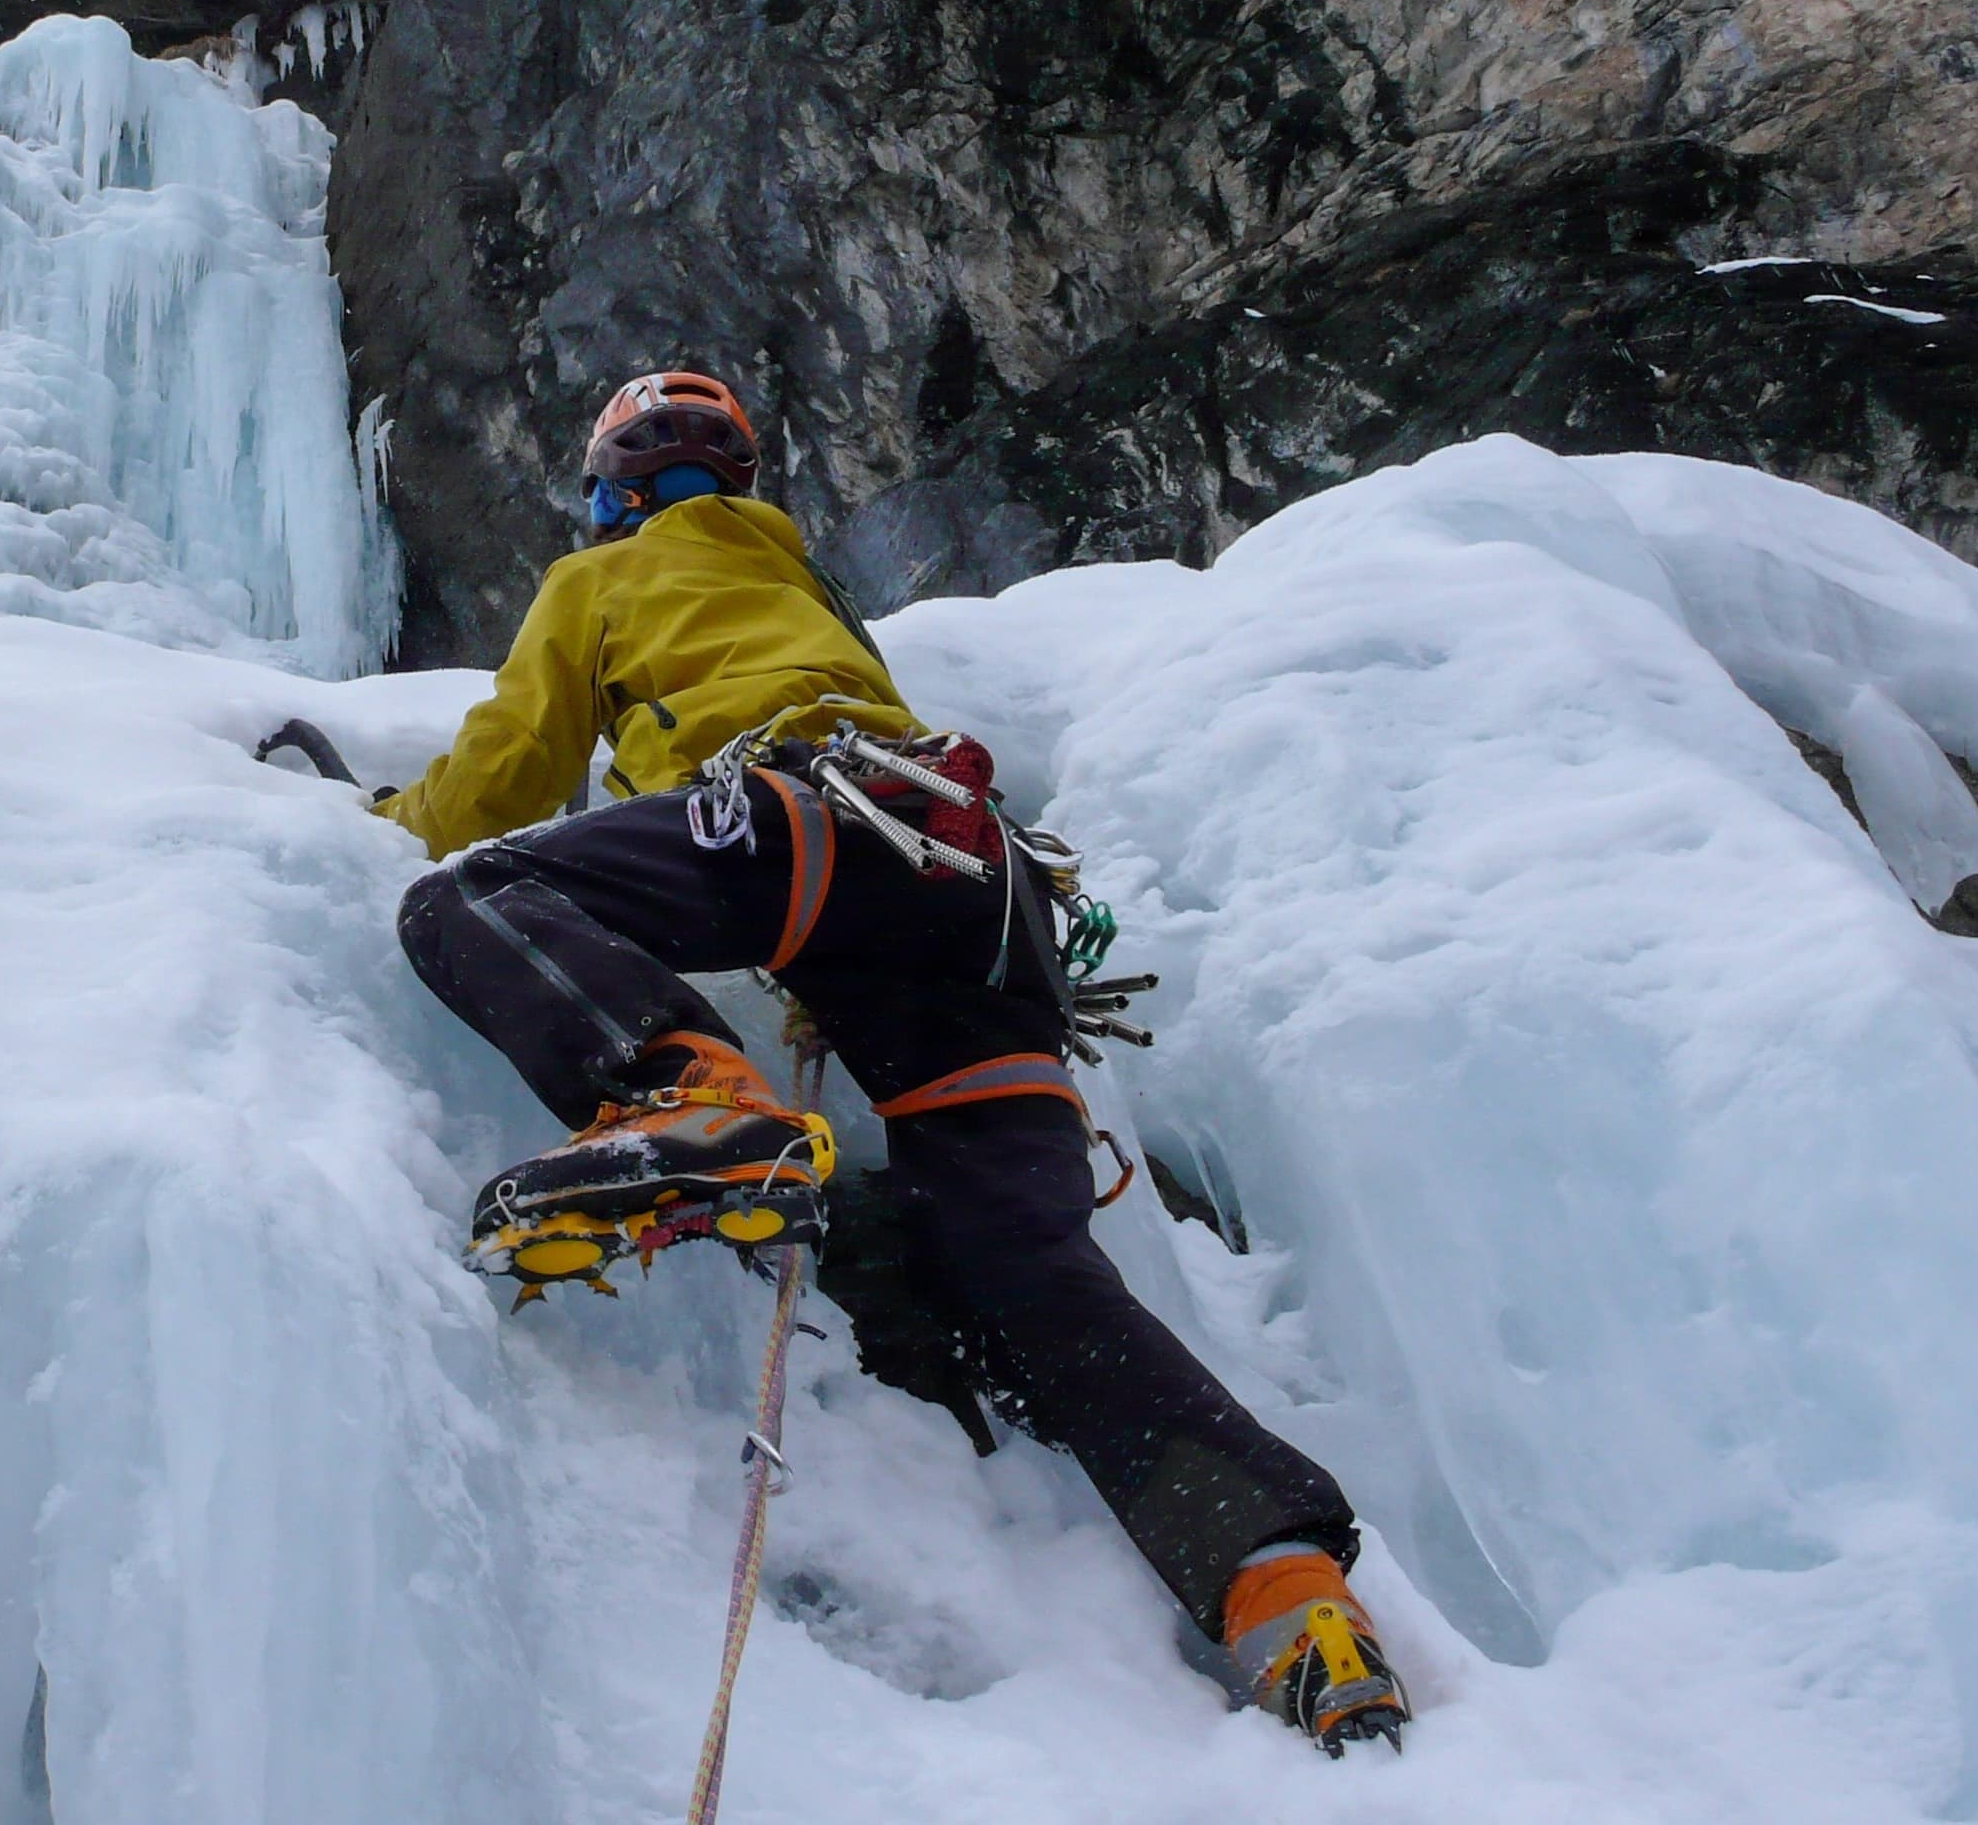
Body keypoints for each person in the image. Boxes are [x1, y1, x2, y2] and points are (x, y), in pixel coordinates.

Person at [378, 369, 1412, 1755]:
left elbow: (501, 779)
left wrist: (375, 817)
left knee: (471, 898)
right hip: (980, 907)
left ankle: (685, 1095)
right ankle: (1286, 1590)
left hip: (801, 830)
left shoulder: (604, 577)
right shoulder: (805, 590)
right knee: (1023, 1274)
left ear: (615, 487)